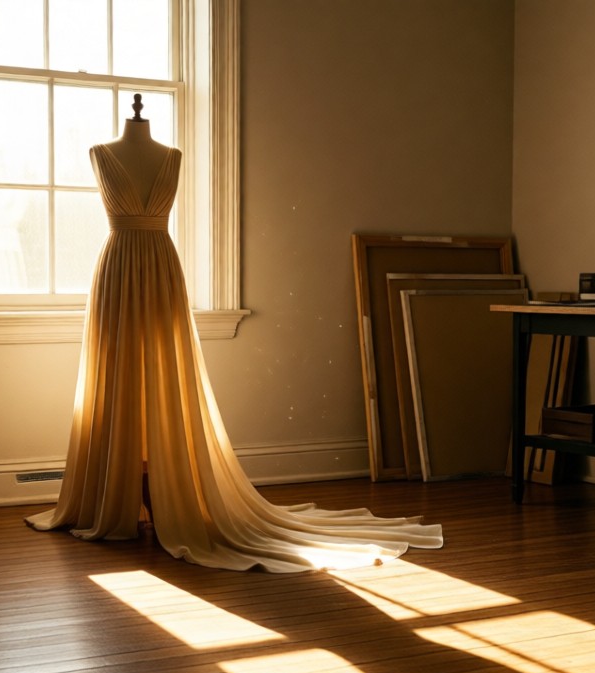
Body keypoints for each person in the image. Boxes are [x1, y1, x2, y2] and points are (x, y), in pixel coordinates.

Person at [25, 99, 442, 572]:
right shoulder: (101, 153)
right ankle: (112, 492)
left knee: (163, 375)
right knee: (117, 375)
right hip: (117, 273)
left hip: (160, 272)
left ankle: (166, 490)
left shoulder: (171, 157)